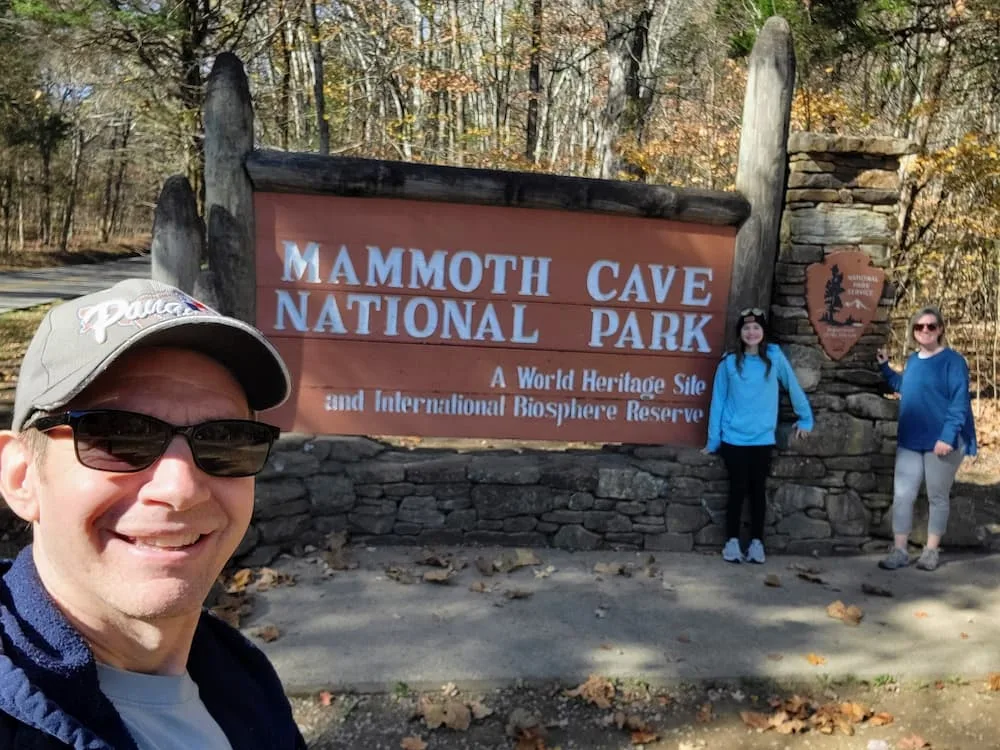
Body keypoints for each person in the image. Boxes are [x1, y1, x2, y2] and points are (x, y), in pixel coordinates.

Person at [0, 278, 306, 748]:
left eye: (224, 440)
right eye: (118, 436)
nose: (180, 488)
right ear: (21, 477)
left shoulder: (243, 678)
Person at [703, 308, 813, 564]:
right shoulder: (729, 363)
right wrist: (713, 440)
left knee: (757, 492)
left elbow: (793, 387)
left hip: (762, 438)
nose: (751, 333)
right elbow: (718, 402)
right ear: (740, 333)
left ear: (763, 332)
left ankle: (756, 543)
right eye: (746, 329)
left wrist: (806, 418)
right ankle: (731, 542)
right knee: (737, 490)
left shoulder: (774, 357)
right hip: (733, 439)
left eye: (756, 328)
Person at [876, 305, 977, 572]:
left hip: (941, 442)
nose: (925, 330)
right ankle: (899, 550)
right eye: (919, 326)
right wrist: (885, 368)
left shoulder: (954, 362)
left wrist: (947, 437)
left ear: (941, 329)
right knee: (902, 496)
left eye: (931, 326)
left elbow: (959, 404)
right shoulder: (913, 360)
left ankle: (931, 551)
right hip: (911, 439)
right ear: (913, 331)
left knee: (937, 497)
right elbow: (904, 387)